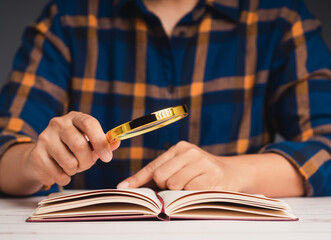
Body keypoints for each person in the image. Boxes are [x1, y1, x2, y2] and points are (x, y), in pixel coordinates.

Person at [0, 0, 330, 197]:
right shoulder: (66, 18)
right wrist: (35, 161)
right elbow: (5, 144)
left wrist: (238, 173)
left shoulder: (281, 17)